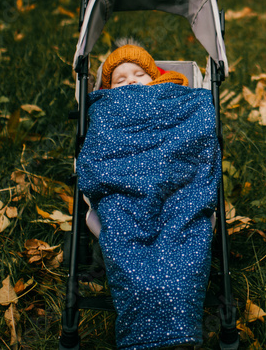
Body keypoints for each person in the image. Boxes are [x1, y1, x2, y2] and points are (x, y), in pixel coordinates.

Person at [79, 38, 217, 350]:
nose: (130, 83)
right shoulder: (105, 109)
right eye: (120, 80)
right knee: (129, 245)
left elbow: (199, 132)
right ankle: (164, 333)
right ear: (107, 90)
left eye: (138, 76)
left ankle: (173, 331)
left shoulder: (179, 99)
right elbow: (97, 155)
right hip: (123, 191)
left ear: (156, 79)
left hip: (177, 184)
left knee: (182, 242)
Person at [97, 40, 189, 90]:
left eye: (139, 75)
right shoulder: (104, 103)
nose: (131, 80)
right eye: (120, 81)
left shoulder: (166, 90)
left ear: (154, 78)